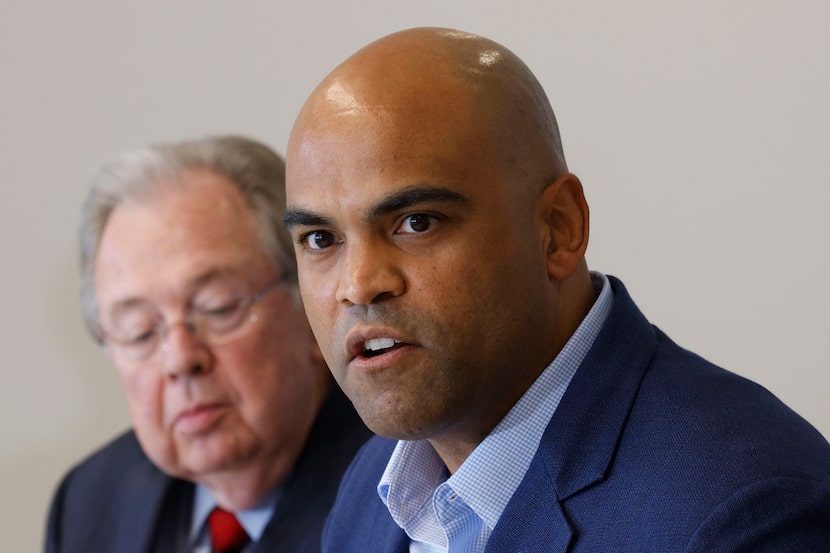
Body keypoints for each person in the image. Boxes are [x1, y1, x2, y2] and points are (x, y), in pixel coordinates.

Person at [282, 27, 830, 552]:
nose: (358, 285)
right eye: (320, 238)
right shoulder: (373, 486)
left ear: (559, 229)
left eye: (417, 222)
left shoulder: (746, 512)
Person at [45, 135, 371, 553]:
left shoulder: (402, 487)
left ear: (309, 305)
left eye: (218, 308)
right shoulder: (91, 501)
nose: (180, 359)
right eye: (141, 330)